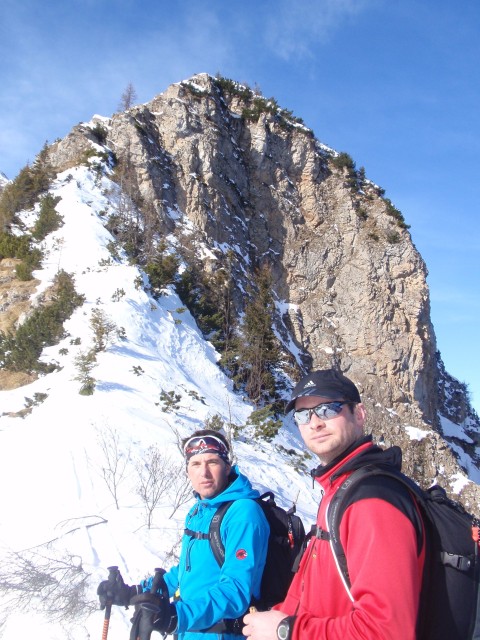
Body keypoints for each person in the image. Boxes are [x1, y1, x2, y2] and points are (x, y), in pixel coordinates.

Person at [243, 369, 425, 640]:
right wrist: (278, 618)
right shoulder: (339, 489)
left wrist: (287, 631)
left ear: (359, 414)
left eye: (328, 409)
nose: (315, 423)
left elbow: (387, 632)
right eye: (303, 415)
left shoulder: (372, 500)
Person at [97, 428, 269, 639]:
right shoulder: (199, 511)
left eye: (212, 462)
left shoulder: (243, 513)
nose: (204, 473)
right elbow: (185, 572)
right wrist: (134, 592)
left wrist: (176, 616)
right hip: (190, 633)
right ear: (187, 470)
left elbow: (235, 592)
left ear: (226, 467)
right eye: (195, 464)